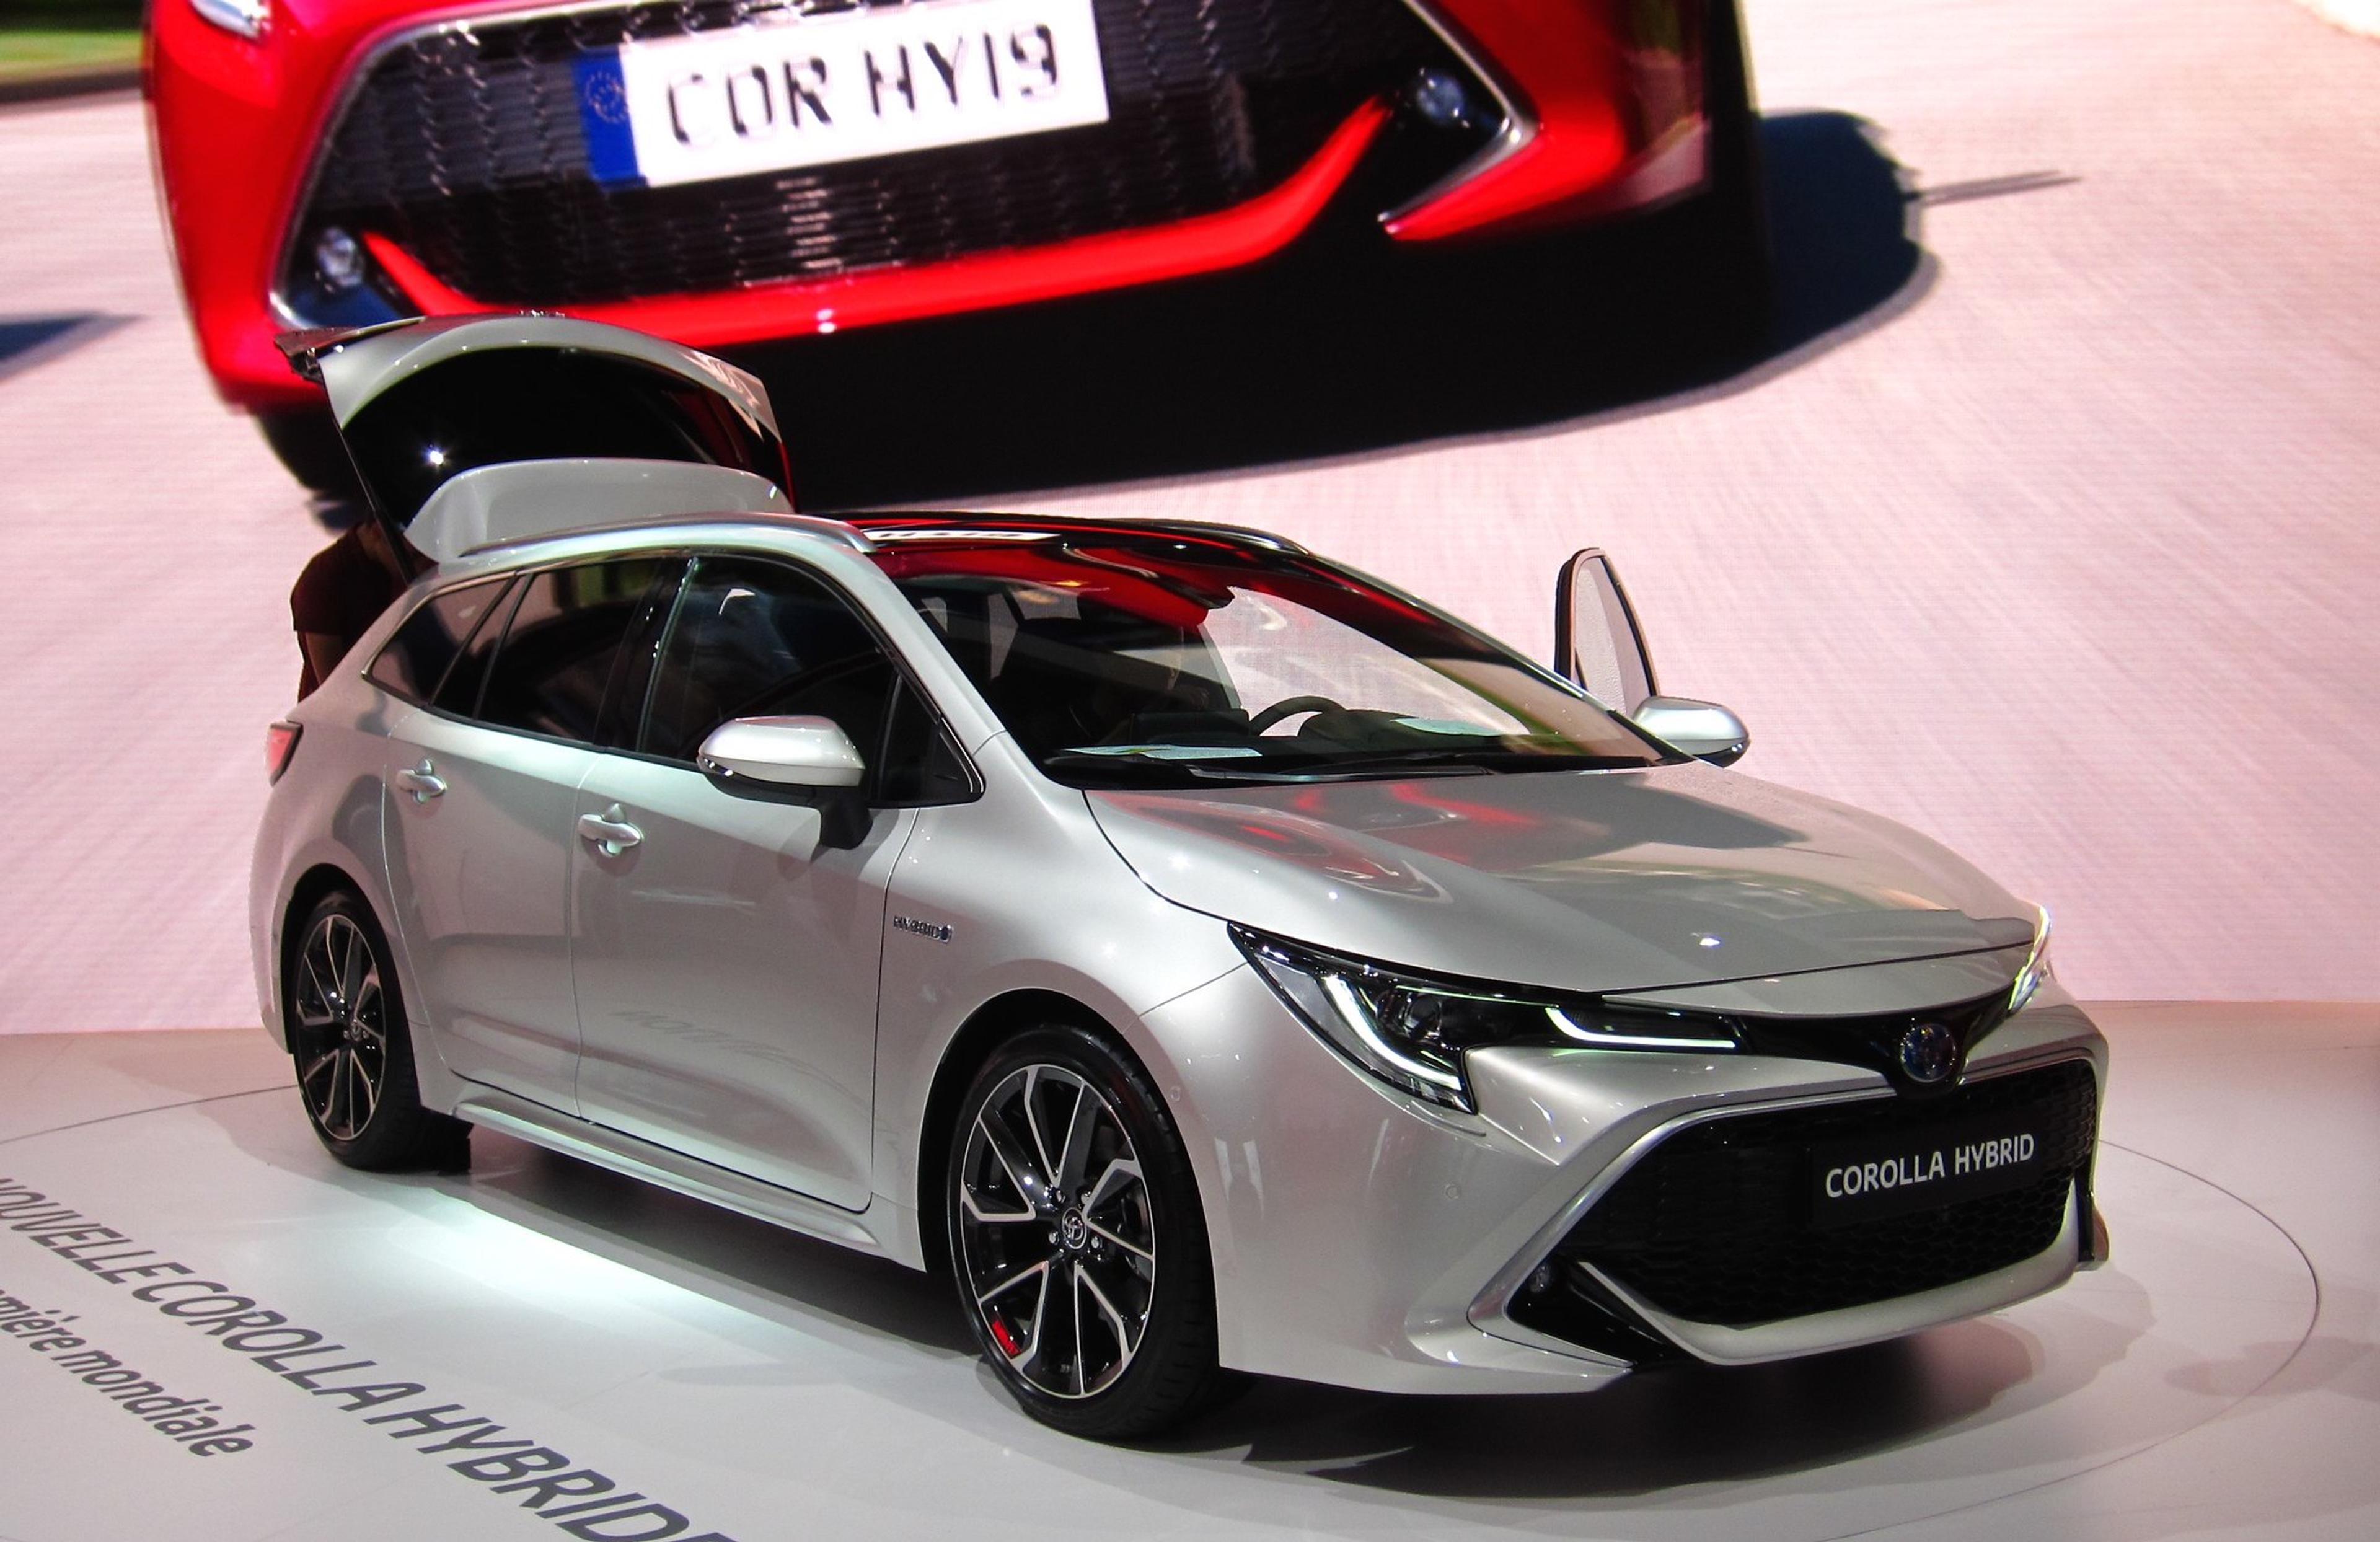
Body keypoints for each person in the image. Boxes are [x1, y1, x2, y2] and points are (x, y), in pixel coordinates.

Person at [291, 508, 430, 698]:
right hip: (349, 713)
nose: (421, 569)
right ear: (377, 534)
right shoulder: (324, 578)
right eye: (413, 557)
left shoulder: (393, 564)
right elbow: (333, 684)